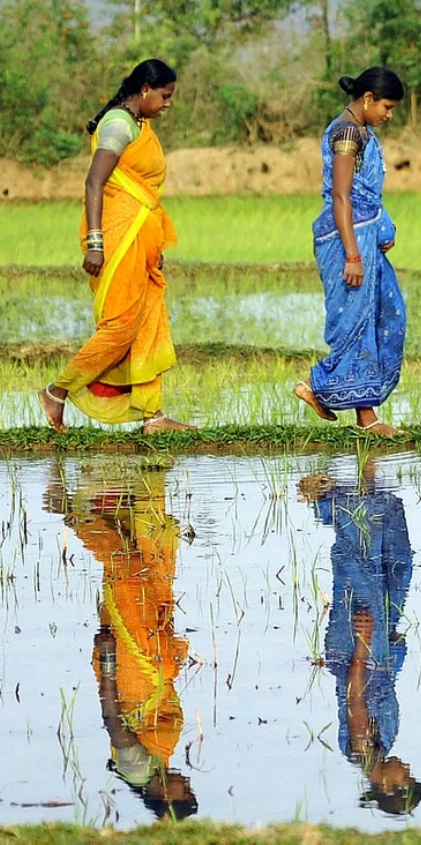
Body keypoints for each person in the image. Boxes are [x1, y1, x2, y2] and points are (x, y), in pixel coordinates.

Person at [39, 60, 196, 435]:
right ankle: (56, 390)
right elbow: (94, 182)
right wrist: (95, 243)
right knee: (119, 328)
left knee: (145, 323)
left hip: (139, 237)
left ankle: (152, 416)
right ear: (145, 89)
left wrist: (151, 242)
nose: (168, 103)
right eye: (165, 95)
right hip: (115, 239)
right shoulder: (118, 124)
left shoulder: (139, 125)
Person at [46, 458, 198, 820]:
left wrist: (110, 661)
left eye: (185, 792)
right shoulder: (160, 760)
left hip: (131, 662)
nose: (187, 783)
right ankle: (125, 497)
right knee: (151, 565)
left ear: (165, 797)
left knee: (127, 570)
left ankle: (80, 515)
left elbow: (113, 719)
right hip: (151, 651)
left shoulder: (137, 770)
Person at [302, 463, 421, 816]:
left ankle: (329, 499)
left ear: (386, 784)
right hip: (376, 650)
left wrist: (363, 641)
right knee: (395, 568)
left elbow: (355, 698)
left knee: (359, 568)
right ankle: (368, 494)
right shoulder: (380, 748)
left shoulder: (362, 751)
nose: (407, 770)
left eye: (406, 779)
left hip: (357, 649)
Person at [295, 67, 410, 436]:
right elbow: (342, 196)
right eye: (387, 107)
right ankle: (317, 387)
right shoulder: (346, 133)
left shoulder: (362, 131)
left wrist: (381, 227)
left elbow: (366, 193)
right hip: (346, 241)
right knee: (352, 325)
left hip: (363, 237)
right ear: (367, 99)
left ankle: (366, 415)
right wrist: (353, 256)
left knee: (379, 318)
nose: (389, 115)